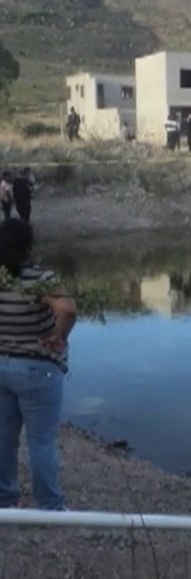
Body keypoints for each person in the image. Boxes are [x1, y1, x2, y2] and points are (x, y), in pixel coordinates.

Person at [0, 219, 78, 510]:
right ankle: (50, 507)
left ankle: (5, 504)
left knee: (3, 440)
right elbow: (67, 309)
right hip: (36, 369)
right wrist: (59, 336)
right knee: (41, 442)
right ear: (29, 245)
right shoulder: (39, 278)